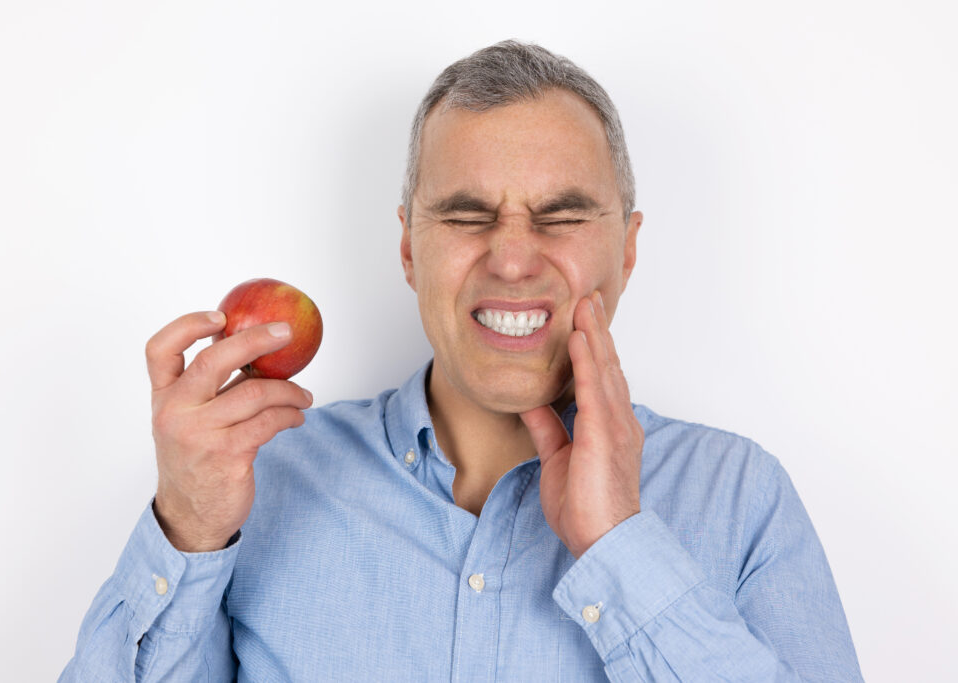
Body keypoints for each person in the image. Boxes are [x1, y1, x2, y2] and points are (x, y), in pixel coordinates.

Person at [61, 40, 863, 681]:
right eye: (467, 214)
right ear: (410, 247)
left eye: (563, 214)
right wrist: (190, 530)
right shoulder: (260, 482)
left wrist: (620, 546)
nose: (513, 259)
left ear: (629, 247)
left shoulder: (743, 497)